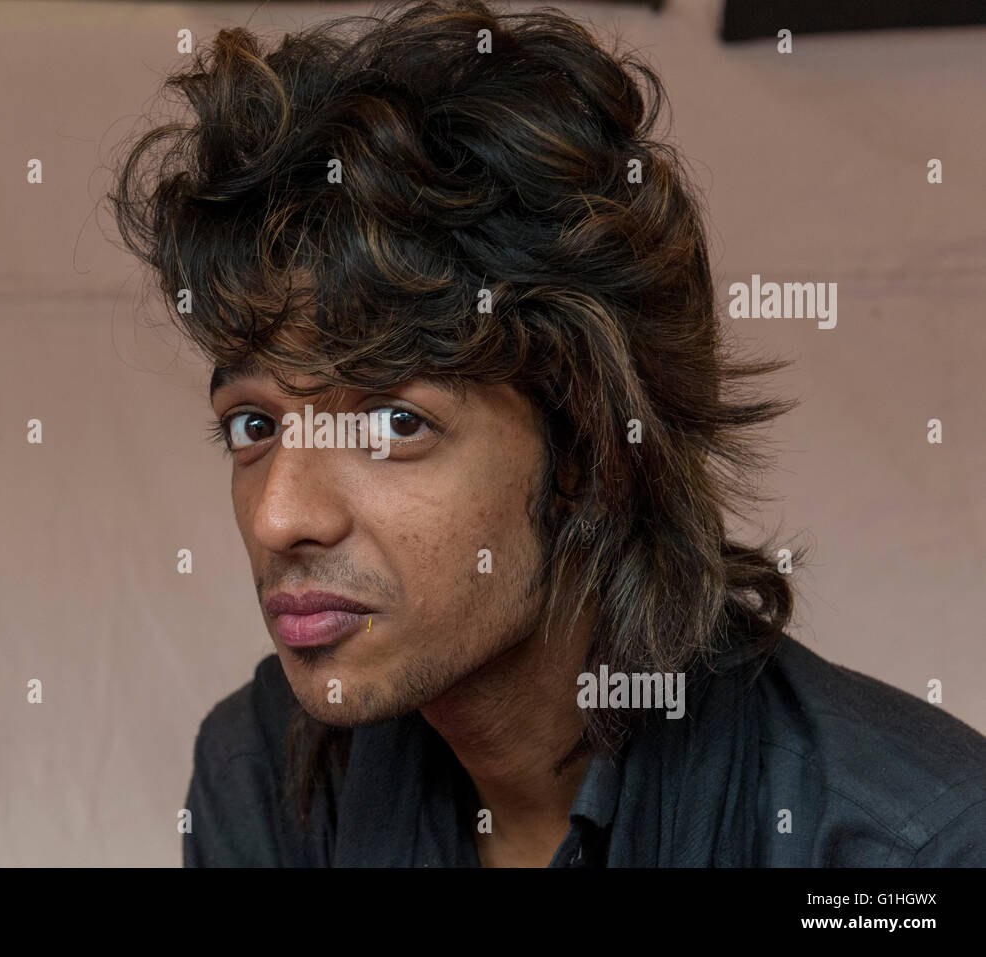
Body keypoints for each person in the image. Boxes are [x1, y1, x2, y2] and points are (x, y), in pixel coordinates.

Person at [110, 0, 986, 866]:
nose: (277, 517)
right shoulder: (268, 775)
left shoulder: (902, 851)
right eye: (254, 423)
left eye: (392, 422)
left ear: (589, 451)